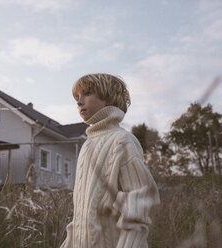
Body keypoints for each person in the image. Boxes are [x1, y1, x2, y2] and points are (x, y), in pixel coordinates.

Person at [60, 73, 160, 248]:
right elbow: (81, 215)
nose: (79, 101)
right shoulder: (86, 146)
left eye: (87, 93)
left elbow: (138, 205)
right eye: (77, 97)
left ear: (109, 99)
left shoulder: (122, 141)